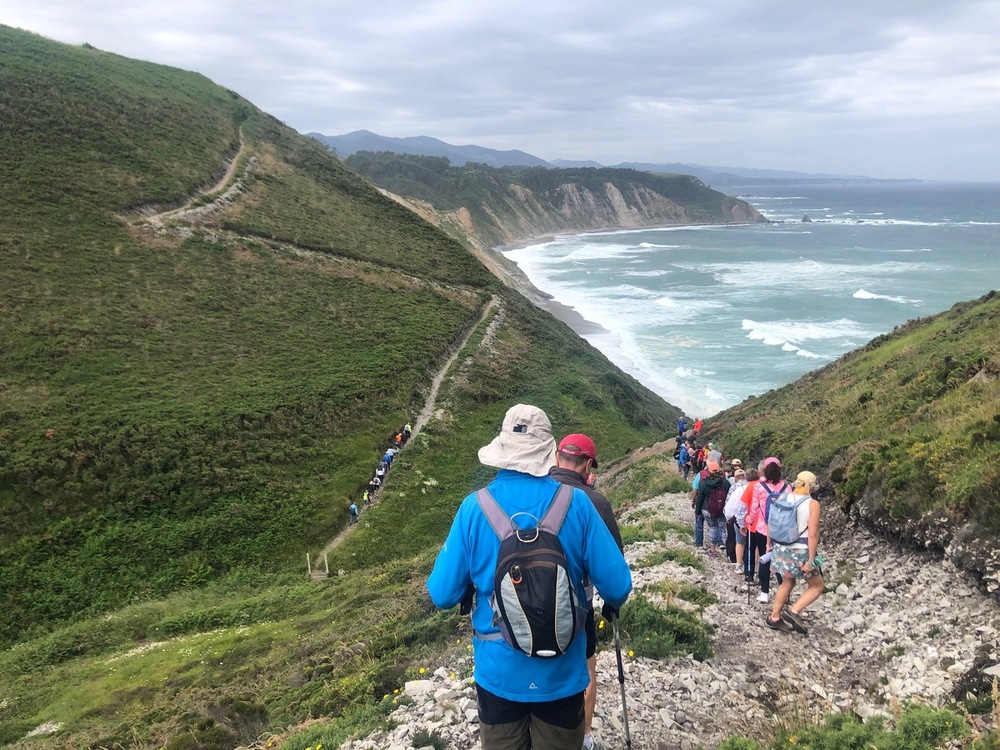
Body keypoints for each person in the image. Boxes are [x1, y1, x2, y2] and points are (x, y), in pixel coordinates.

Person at [427, 405, 631, 750]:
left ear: (502, 449)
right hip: (562, 674)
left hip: (498, 672)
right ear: (547, 453)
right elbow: (618, 586)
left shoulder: (473, 509)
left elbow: (442, 594)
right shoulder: (577, 504)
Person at [548, 433, 623, 750]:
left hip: (522, 607)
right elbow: (615, 568)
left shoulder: (536, 493)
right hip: (578, 608)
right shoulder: (596, 502)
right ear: (589, 465)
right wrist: (612, 604)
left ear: (556, 458)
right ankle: (585, 738)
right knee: (587, 672)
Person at [766, 471, 824, 633]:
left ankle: (774, 618)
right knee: (817, 585)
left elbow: (771, 522)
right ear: (811, 486)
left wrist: (769, 543)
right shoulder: (812, 504)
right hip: (801, 550)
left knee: (788, 581)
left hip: (782, 546)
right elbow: (812, 534)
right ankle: (793, 611)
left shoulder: (783, 497)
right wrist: (812, 560)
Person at [744, 457, 788, 603]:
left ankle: (765, 593)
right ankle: (784, 593)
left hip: (763, 528)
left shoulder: (759, 486)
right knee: (781, 561)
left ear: (764, 470)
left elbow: (754, 508)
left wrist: (749, 519)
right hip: (783, 530)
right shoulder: (786, 487)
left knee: (765, 559)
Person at [696, 458, 730, 555]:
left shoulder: (703, 483)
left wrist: (698, 512)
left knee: (712, 527)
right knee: (722, 527)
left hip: (707, 509)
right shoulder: (725, 483)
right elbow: (728, 497)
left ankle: (713, 550)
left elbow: (700, 498)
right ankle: (727, 551)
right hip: (721, 508)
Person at [723, 468, 747, 564]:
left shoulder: (734, 487)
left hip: (734, 516)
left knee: (732, 538)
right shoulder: (749, 486)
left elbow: (728, 502)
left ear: (736, 478)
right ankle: (744, 558)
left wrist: (727, 516)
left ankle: (732, 557)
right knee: (744, 540)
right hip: (746, 516)